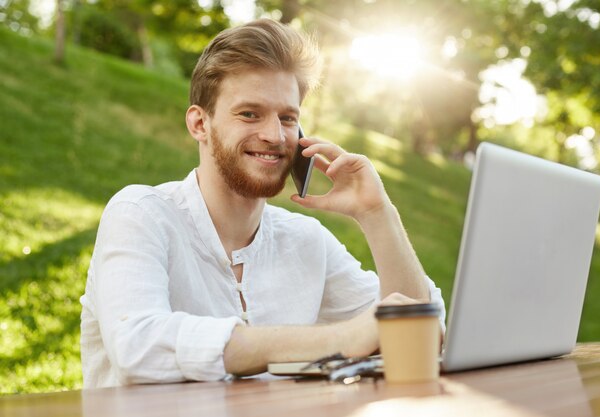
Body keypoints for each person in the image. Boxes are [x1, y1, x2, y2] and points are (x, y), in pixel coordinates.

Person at [80, 18, 446, 388]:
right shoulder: (141, 214)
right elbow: (138, 346)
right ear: (199, 124)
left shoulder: (306, 240)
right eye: (249, 114)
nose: (274, 135)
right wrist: (341, 338)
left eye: (287, 118)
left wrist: (377, 213)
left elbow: (423, 335)